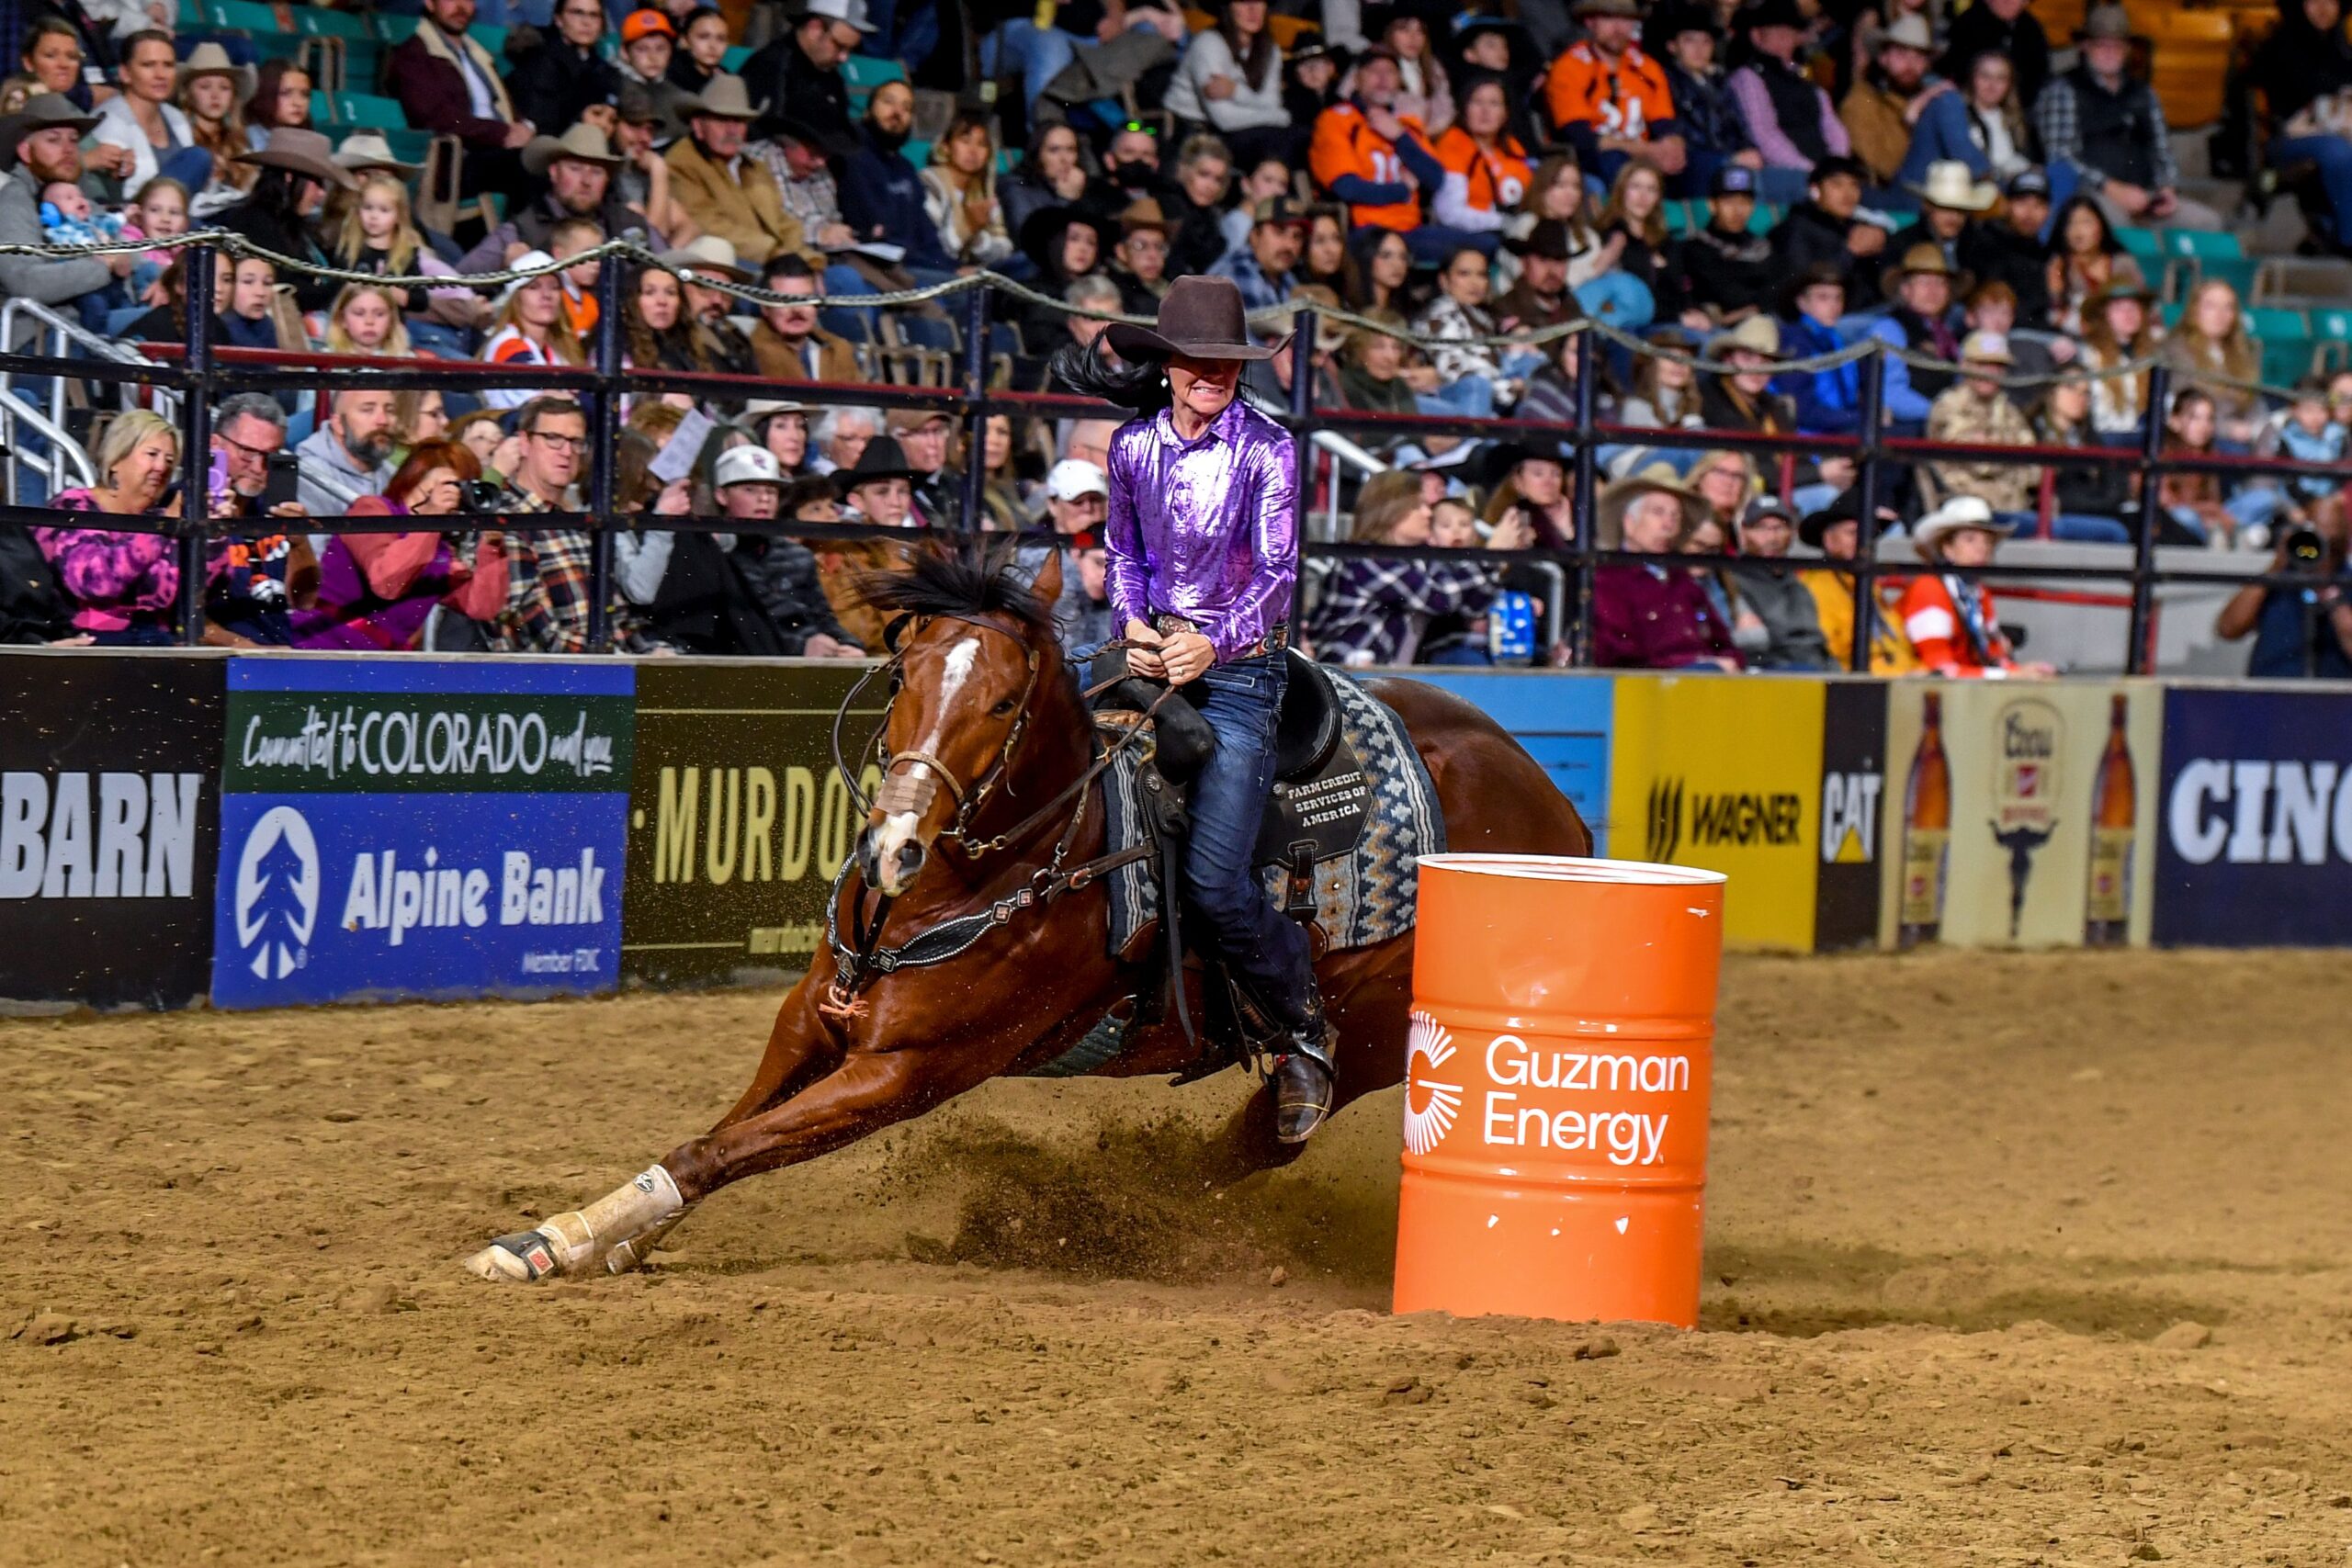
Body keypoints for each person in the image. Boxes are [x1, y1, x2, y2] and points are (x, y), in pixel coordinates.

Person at [1067, 274, 1332, 1139]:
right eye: (1196, 359)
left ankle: (1302, 1028)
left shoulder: (1270, 449)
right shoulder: (1132, 446)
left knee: (1217, 880)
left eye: (1225, 360)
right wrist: (1133, 623)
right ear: (1171, 364)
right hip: (1151, 654)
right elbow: (1125, 553)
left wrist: (1213, 643)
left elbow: (1279, 573)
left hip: (1244, 674)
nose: (1210, 373)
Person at [292, 440, 511, 651]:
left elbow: (481, 607)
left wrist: (492, 547)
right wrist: (431, 517)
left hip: (382, 665)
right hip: (325, 647)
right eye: (451, 485)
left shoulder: (440, 549)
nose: (456, 496)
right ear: (417, 478)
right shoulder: (371, 510)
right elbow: (386, 582)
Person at [35, 412, 232, 646]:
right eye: (152, 454)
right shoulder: (74, 506)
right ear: (117, 458)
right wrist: (161, 529)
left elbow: (201, 594)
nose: (161, 467)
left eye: (169, 460)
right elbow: (94, 582)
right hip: (87, 641)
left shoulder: (163, 519)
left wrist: (213, 536)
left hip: (157, 642)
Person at [1306, 468, 1523, 665]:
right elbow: (1439, 598)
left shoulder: (1420, 556)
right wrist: (1489, 556)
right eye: (1418, 506)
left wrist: (1499, 563)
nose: (1428, 514)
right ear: (1391, 511)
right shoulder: (1366, 558)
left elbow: (1469, 606)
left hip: (1390, 677)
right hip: (1341, 673)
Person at [2036, 6, 2222, 231]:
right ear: (2085, 46)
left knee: (2206, 223)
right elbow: (2060, 156)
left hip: (2146, 196)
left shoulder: (2143, 92)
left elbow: (2162, 150)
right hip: (2090, 195)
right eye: (2101, 45)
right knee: (2115, 225)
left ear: (2127, 50)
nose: (2110, 52)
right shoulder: (2064, 89)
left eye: (2117, 45)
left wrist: (2166, 189)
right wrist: (2112, 188)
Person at [639, 442, 796, 657]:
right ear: (721, 496)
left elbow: (819, 615)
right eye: (750, 489)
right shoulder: (704, 548)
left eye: (771, 491)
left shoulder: (796, 554)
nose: (764, 499)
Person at [482, 396, 600, 653]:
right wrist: (616, 658)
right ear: (524, 443)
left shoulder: (583, 522)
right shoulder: (505, 521)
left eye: (575, 442)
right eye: (553, 438)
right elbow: (537, 634)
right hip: (547, 679)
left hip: (607, 665)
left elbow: (621, 618)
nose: (567, 452)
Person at [1591, 467, 1739, 670]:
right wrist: (1697, 663)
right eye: (1657, 512)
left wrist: (1728, 661)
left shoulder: (1684, 581)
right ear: (1629, 523)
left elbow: (1722, 642)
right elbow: (1619, 653)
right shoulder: (1608, 579)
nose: (1668, 523)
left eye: (1675, 516)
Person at [1310, 48, 1452, 259]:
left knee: (1484, 245)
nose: (1383, 78)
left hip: (1411, 229)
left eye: (1391, 72)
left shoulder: (1406, 125)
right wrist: (1403, 190)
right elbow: (1347, 188)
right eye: (1374, 71)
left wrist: (1400, 137)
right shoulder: (1336, 120)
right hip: (1366, 230)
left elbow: (1436, 179)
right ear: (1357, 80)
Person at [0, 94, 135, 310]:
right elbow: (25, 282)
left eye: (73, 140)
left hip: (95, 321)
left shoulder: (77, 195)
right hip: (41, 334)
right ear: (26, 152)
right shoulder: (14, 200)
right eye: (54, 140)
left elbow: (127, 251)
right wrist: (104, 264)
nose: (69, 149)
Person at [390, 0, 532, 197]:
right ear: (430, 4)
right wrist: (501, 133)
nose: (461, 6)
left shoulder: (477, 54)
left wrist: (524, 129)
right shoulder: (415, 55)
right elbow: (437, 118)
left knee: (555, 158)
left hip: (498, 151)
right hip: (459, 160)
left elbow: (504, 106)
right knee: (531, 167)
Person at [1899, 497, 2052, 676]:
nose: (1982, 548)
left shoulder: (1978, 593)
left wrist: (2022, 671)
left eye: (1987, 541)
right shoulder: (1928, 589)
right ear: (1947, 548)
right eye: (1970, 540)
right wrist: (2011, 675)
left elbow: (1993, 654)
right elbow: (1938, 668)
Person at [665, 74, 805, 268]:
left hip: (777, 261)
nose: (732, 130)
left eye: (739, 121)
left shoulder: (755, 167)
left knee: (842, 276)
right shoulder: (681, 163)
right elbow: (708, 226)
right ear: (698, 125)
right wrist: (777, 254)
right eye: (722, 120)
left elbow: (784, 222)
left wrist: (803, 260)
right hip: (722, 266)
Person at [1545, 0, 1685, 186]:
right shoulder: (1569, 67)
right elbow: (1580, 138)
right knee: (1615, 160)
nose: (1618, 28)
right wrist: (1645, 150)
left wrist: (1674, 147)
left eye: (1626, 19)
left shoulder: (1647, 67)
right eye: (1609, 18)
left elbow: (1664, 124)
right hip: (1593, 158)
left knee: (1701, 164)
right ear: (1590, 22)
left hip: (1645, 155)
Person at [218, 128, 355, 311]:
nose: (322, 193)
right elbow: (288, 292)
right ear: (289, 177)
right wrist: (345, 286)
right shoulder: (253, 224)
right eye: (317, 182)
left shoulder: (300, 228)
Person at [2253, 0, 2352, 254]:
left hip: (2335, 132)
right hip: (2286, 137)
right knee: (2338, 153)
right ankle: (2347, 236)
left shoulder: (2340, 47)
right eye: (2314, 1)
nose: (2323, 8)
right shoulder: (2280, 45)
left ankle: (2326, 226)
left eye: (2331, 1)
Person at [2214, 498, 2352, 676]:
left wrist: (2333, 599)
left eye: (2332, 544)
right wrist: (2276, 566)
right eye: (2316, 538)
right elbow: (2228, 628)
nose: (2322, 550)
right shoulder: (2278, 577)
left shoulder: (2347, 581)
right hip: (2271, 695)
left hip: (2332, 698)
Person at [838, 80, 956, 281]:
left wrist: (951, 268)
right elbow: (875, 229)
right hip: (878, 267)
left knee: (977, 283)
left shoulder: (906, 169)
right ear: (868, 111)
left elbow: (925, 232)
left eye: (906, 108)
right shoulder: (852, 157)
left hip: (915, 263)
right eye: (889, 102)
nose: (897, 112)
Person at [1725, 0, 1851, 187]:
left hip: (1824, 171)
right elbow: (1765, 136)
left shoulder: (1806, 78)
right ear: (1757, 36)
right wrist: (1811, 170)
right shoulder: (1749, 77)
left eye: (1789, 33)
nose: (1784, 39)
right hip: (1786, 172)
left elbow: (1832, 126)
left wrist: (1836, 167)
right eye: (1776, 32)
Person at [1798, 487, 1919, 672]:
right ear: (1829, 540)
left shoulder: (1869, 586)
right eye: (1853, 532)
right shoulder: (1816, 587)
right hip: (1859, 687)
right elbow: (1825, 654)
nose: (1864, 541)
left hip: (1901, 678)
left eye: (1869, 534)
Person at [1165, 0, 1295, 170]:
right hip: (1195, 132)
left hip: (1245, 131)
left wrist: (1235, 91)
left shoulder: (1269, 49)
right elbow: (1224, 119)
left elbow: (1272, 102)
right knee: (1275, 142)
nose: (1253, 10)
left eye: (1259, 2)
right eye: (1243, 2)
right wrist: (1279, 116)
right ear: (1228, 8)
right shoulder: (1208, 44)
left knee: (1296, 138)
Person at [1924, 332, 2040, 519]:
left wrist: (1998, 446)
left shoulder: (2009, 410)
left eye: (1998, 366)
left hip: (2014, 507)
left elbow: (2033, 469)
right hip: (1965, 508)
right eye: (1982, 364)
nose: (1990, 373)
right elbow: (1981, 463)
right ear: (1965, 365)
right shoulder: (1949, 405)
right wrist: (2010, 451)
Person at [86, 29, 209, 201]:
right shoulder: (111, 120)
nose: (160, 75)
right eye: (148, 65)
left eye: (168, 65)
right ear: (125, 74)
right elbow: (110, 190)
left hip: (178, 213)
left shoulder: (176, 117)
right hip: (133, 214)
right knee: (198, 157)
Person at [1837, 13, 1943, 190]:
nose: (1910, 64)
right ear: (1883, 58)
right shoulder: (1862, 100)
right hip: (1882, 194)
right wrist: (1908, 122)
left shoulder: (1934, 100)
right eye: (1901, 54)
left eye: (1919, 57)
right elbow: (1885, 166)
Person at [741, 0, 863, 155]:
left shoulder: (830, 75)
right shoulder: (771, 66)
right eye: (839, 46)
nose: (844, 58)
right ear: (815, 28)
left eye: (850, 49)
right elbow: (762, 137)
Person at [1865, 244, 1963, 431]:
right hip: (1907, 431)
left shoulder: (1949, 336)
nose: (1933, 291)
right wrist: (1940, 412)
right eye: (1924, 282)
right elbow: (1889, 394)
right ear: (1905, 289)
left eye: (1940, 283)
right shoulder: (1889, 329)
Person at [1769, 153, 1886, 307]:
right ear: (1815, 190)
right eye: (1837, 185)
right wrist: (1849, 252)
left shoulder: (1857, 226)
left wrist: (1882, 243)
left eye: (1854, 185)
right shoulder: (1795, 229)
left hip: (1869, 311)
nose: (1848, 193)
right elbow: (1800, 285)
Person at [2159, 280, 2266, 449]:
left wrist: (2256, 428)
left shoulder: (2243, 353)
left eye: (2228, 307)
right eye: (2211, 306)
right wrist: (2227, 429)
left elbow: (2255, 402)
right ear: (2195, 310)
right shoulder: (2177, 351)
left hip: (2244, 436)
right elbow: (2179, 409)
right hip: (2201, 440)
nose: (2220, 314)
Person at [1729, 494, 1832, 668]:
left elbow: (1817, 643)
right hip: (1771, 671)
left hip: (1813, 666)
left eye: (1779, 528)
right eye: (1761, 528)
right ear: (1743, 533)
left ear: (1792, 533)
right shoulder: (1733, 581)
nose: (1772, 537)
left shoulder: (1798, 585)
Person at [1429, 73, 1531, 238]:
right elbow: (1449, 213)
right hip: (1468, 234)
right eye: (1477, 102)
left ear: (1505, 114)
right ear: (1464, 109)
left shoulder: (1513, 148)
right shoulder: (1452, 145)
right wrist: (1502, 222)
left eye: (1494, 104)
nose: (1485, 111)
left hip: (1509, 229)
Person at [481, 257, 588, 411]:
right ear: (516, 298)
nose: (547, 295)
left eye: (554, 287)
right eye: (534, 287)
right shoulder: (508, 345)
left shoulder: (560, 349)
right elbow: (540, 408)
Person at [507, 0, 622, 137]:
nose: (586, 22)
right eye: (577, 13)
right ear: (559, 19)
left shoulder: (605, 71)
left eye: (594, 15)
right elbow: (539, 123)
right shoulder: (538, 61)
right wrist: (580, 120)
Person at [921, 110, 1015, 272]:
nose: (973, 151)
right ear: (946, 147)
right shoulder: (930, 182)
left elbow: (1004, 250)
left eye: (981, 144)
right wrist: (969, 226)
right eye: (965, 141)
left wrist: (977, 238)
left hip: (977, 273)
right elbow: (935, 248)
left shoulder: (984, 190)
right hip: (938, 271)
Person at [1775, 265, 1861, 435]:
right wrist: (1860, 418)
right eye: (1823, 298)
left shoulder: (1837, 341)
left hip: (1841, 427)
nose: (1833, 305)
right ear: (1802, 303)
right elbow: (1802, 411)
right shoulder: (1796, 341)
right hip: (1812, 438)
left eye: (1838, 298)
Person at [750, 253, 858, 383]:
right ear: (765, 308)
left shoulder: (839, 349)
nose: (797, 310)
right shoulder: (752, 353)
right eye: (785, 300)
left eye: (805, 299)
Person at [175, 42, 254, 217]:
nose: (215, 95)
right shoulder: (179, 137)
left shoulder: (240, 144)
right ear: (188, 94)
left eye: (224, 88)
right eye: (205, 86)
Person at [2077, 279, 2160, 441]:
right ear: (2103, 314)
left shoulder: (2152, 356)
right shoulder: (2089, 355)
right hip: (2105, 440)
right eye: (2118, 308)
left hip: (2143, 438)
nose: (2128, 314)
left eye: (2133, 307)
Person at [297, 388, 398, 517]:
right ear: (338, 424)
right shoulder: (308, 475)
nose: (383, 421)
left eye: (390, 410)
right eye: (368, 410)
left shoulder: (392, 473)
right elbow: (315, 537)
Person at [1939, 0, 2051, 114]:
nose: (2008, 2)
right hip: (1972, 106)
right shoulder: (1967, 24)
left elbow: (2039, 74)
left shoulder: (2032, 29)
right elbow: (1956, 71)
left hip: (2021, 108)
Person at [1699, 314, 1797, 434]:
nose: (1757, 369)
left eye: (1766, 362)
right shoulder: (1704, 401)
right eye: (1747, 358)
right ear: (1728, 359)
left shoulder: (1777, 408)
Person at [1210, 194, 1308, 313]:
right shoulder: (1236, 272)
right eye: (1279, 232)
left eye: (1297, 236)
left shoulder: (1287, 279)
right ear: (1255, 235)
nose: (1290, 245)